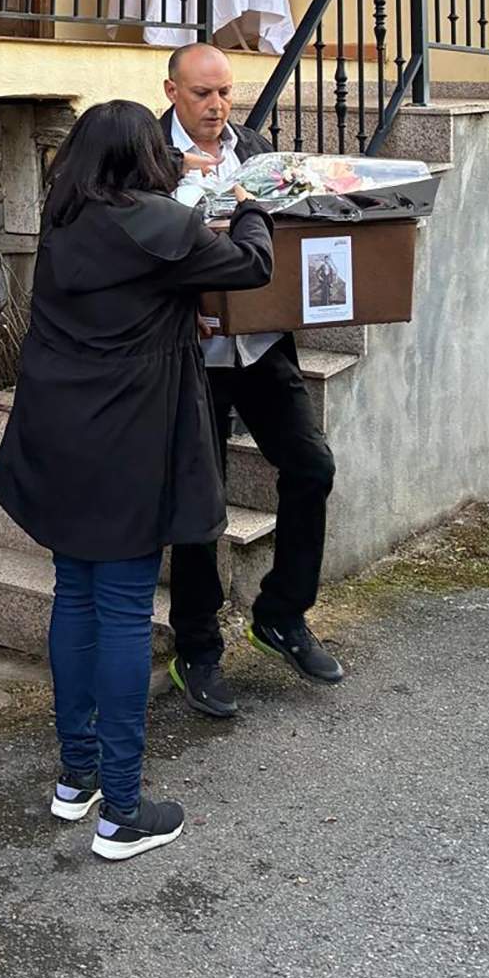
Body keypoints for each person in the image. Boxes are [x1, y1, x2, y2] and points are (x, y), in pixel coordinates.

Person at [0, 100, 272, 862]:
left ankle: (76, 777)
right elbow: (253, 267)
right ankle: (121, 809)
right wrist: (247, 208)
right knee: (120, 611)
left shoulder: (67, 222)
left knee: (74, 596)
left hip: (60, 437)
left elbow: (142, 287)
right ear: (145, 157)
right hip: (128, 444)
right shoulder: (162, 226)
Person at [161, 43, 343, 719]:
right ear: (173, 91)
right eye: (203, 94)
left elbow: (278, 231)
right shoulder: (149, 157)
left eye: (225, 94)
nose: (216, 107)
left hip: (262, 346)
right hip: (190, 357)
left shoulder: (256, 148)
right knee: (199, 504)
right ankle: (198, 649)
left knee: (311, 467)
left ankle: (281, 615)